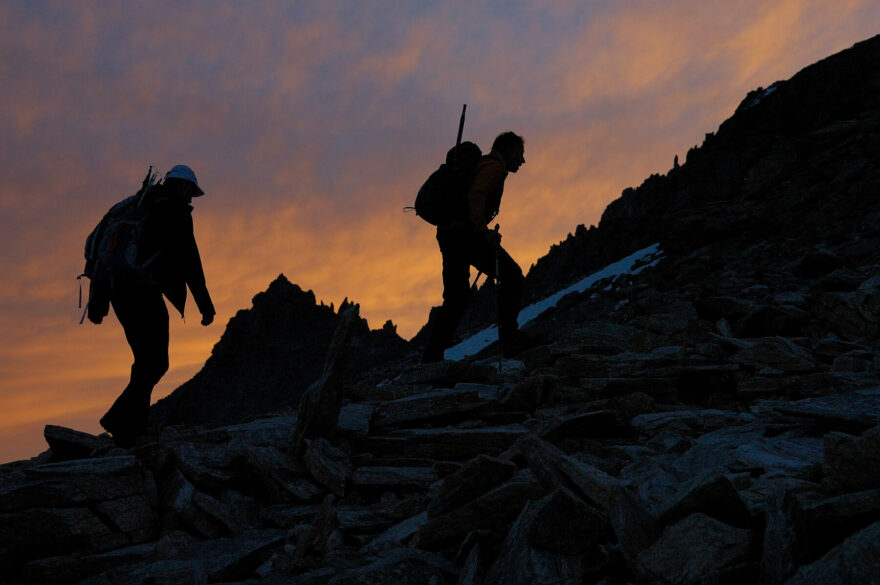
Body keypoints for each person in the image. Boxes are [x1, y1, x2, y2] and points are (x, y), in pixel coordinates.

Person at [96, 164, 215, 446]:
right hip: (143, 291)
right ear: (183, 187)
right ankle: (118, 418)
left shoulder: (139, 206)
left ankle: (135, 425)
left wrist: (99, 302)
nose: (190, 199)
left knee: (145, 360)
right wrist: (205, 304)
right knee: (157, 362)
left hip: (118, 292)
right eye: (190, 193)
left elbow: (106, 251)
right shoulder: (175, 213)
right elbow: (190, 260)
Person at [422, 132, 526, 362]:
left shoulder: (482, 165)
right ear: (507, 150)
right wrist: (482, 231)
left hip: (450, 233)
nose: (522, 160)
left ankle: (431, 357)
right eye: (519, 153)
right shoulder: (493, 167)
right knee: (512, 276)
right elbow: (477, 195)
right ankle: (510, 342)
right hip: (468, 235)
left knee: (456, 297)